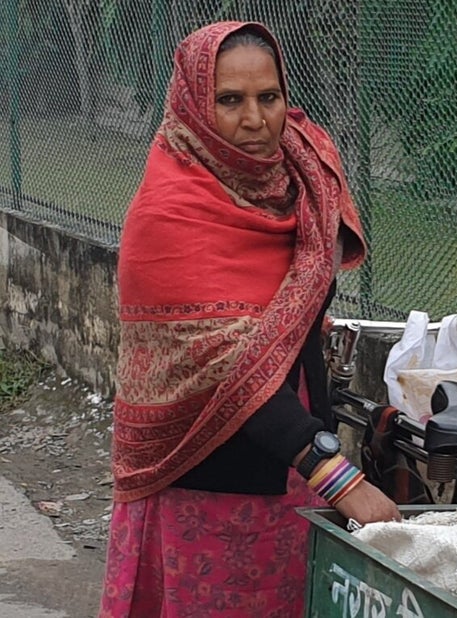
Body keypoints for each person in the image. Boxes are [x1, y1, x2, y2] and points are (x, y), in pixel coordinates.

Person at [98, 20, 400, 618]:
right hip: (202, 472)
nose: (256, 119)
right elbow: (227, 358)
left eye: (270, 97)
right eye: (230, 100)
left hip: (292, 462)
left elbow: (280, 308)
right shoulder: (169, 213)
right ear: (193, 105)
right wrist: (339, 478)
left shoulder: (299, 177)